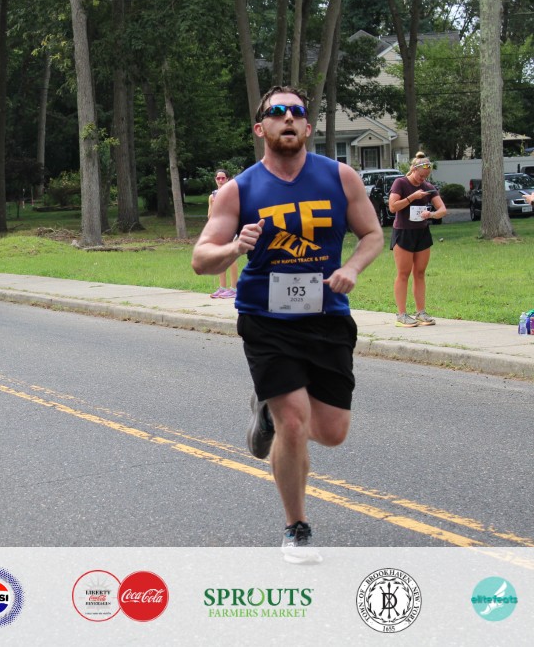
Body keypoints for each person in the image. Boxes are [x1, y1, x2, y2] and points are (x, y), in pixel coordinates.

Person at [191, 86, 383, 563]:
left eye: (297, 112)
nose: (288, 118)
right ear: (262, 128)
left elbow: (373, 234)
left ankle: (266, 411)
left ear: (308, 127)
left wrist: (352, 267)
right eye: (277, 112)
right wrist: (235, 246)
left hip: (327, 316)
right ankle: (296, 527)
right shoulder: (240, 189)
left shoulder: (339, 177)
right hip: (266, 320)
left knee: (332, 431)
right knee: (293, 422)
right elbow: (201, 259)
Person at [387, 152, 446, 327]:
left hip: (422, 233)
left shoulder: (428, 186)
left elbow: (442, 209)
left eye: (425, 177)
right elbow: (392, 207)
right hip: (403, 232)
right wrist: (412, 197)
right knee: (403, 273)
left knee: (420, 273)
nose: (422, 180)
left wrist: (431, 214)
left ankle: (421, 312)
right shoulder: (400, 183)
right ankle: (401, 314)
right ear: (413, 170)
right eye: (420, 176)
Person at [208, 169, 238, 299]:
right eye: (218, 178)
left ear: (228, 179)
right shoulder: (212, 196)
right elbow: (210, 216)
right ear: (215, 179)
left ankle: (234, 288)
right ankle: (222, 287)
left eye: (223, 178)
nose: (220, 180)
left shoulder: (232, 193)